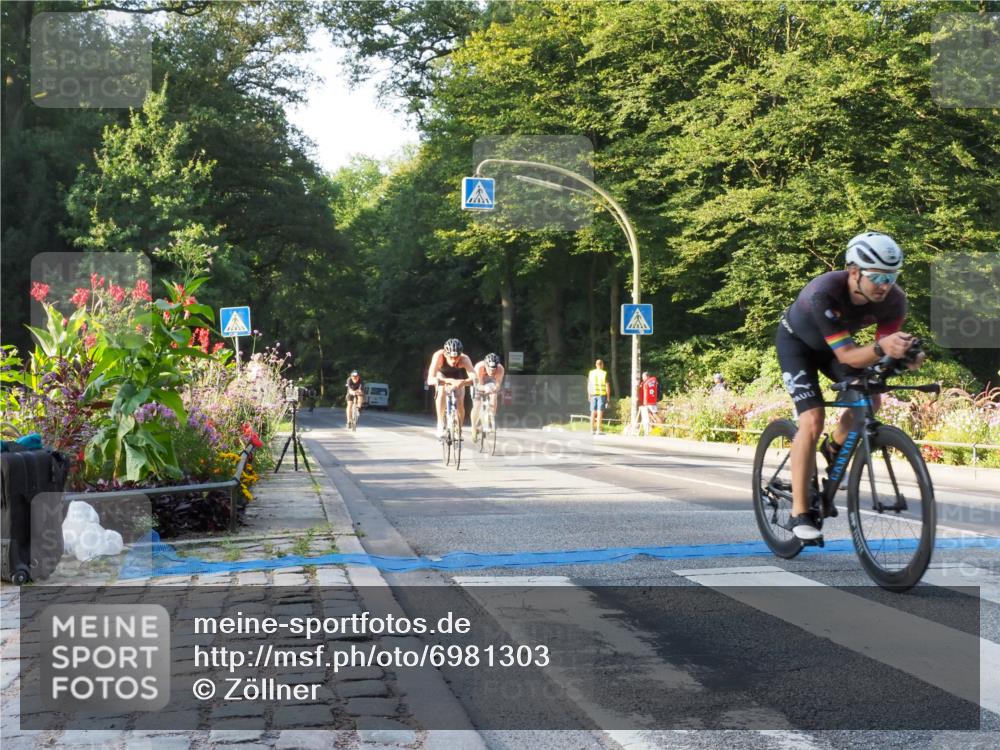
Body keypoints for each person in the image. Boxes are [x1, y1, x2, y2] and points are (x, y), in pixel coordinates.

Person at [776, 231, 924, 540]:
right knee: (812, 418)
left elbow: (876, 352)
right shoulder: (824, 292)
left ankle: (833, 447)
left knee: (871, 399)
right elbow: (850, 355)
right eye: (878, 277)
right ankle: (799, 512)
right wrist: (885, 348)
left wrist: (906, 356)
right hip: (798, 346)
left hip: (835, 348)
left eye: (892, 276)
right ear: (854, 272)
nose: (885, 285)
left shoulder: (894, 300)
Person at [426, 338, 476, 439]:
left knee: (460, 400)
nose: (454, 360)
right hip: (442, 375)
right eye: (451, 357)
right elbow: (430, 379)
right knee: (441, 390)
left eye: (456, 357)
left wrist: (463, 382)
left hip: (458, 376)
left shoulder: (465, 359)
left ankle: (459, 429)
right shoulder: (438, 356)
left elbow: (475, 379)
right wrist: (448, 381)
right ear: (445, 354)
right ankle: (440, 423)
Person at [471, 352, 505, 440]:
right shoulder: (479, 367)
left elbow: (498, 385)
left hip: (490, 382)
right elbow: (477, 385)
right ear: (485, 365)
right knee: (477, 405)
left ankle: (490, 418)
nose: (492, 371)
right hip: (479, 382)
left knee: (494, 395)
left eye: (494, 369)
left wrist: (494, 389)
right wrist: (484, 388)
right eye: (489, 368)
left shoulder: (500, 369)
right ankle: (474, 427)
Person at [587, 359, 610, 435]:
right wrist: (608, 397)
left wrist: (589, 395)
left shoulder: (591, 373)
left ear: (596, 365)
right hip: (601, 394)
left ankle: (591, 430)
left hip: (593, 394)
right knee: (600, 412)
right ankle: (598, 430)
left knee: (593, 412)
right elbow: (607, 386)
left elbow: (589, 385)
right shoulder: (604, 373)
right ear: (602, 365)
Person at [639, 371, 662, 436]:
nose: (643, 378)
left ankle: (661, 428)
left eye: (644, 377)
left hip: (651, 402)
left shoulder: (651, 381)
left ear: (648, 376)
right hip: (647, 402)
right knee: (650, 415)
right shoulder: (648, 382)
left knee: (655, 414)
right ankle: (654, 430)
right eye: (642, 377)